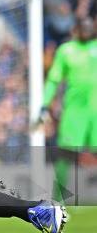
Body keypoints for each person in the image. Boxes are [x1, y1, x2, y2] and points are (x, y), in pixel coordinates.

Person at [37, 18, 97, 201]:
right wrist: (45, 104)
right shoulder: (66, 51)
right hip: (74, 112)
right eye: (83, 27)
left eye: (89, 27)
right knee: (66, 154)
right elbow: (54, 79)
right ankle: (58, 200)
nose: (87, 30)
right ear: (75, 29)